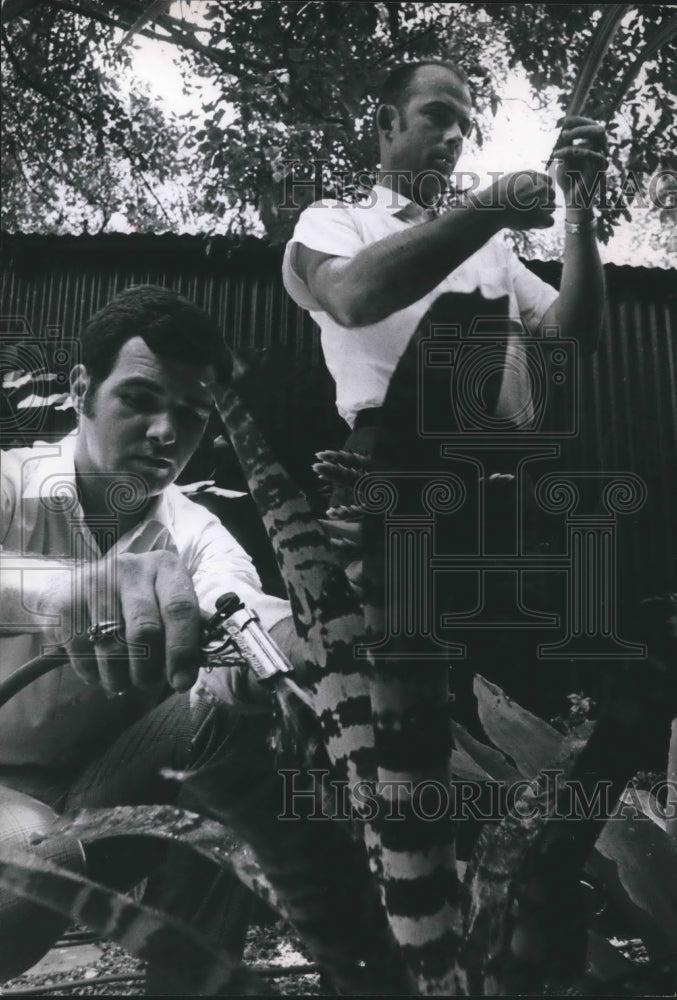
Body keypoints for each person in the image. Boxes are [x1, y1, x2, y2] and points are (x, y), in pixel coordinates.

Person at [0, 284, 298, 980]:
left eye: (191, 415)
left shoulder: (196, 533)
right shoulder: (12, 484)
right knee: (31, 871)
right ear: (82, 388)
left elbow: (245, 607)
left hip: (107, 785)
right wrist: (64, 591)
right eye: (138, 400)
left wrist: (297, 643)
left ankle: (196, 986)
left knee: (241, 718)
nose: (166, 433)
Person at [282, 59, 608, 457]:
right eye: (437, 115)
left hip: (502, 470)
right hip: (391, 455)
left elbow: (575, 337)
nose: (455, 137)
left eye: (464, 128)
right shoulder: (332, 218)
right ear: (388, 122)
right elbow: (351, 297)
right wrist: (490, 208)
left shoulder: (491, 250)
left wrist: (580, 207)